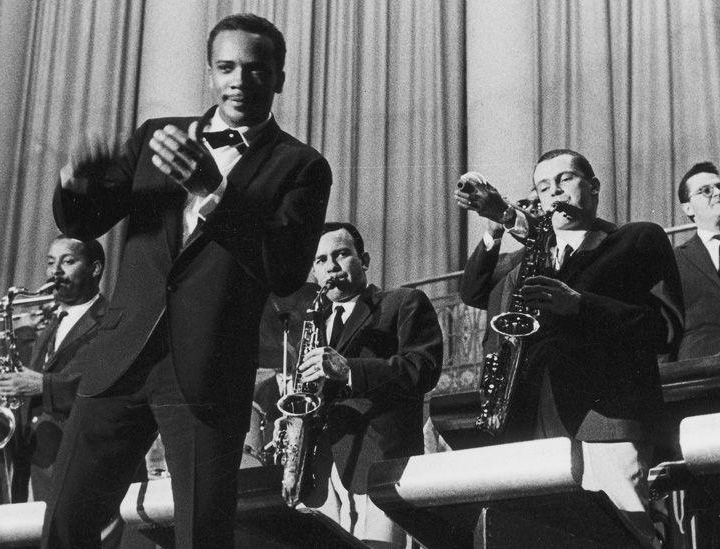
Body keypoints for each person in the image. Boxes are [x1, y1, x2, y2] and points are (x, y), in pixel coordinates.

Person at [43, 13, 331, 549]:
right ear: (210, 73)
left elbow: (287, 270)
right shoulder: (156, 137)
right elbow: (82, 224)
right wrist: (76, 180)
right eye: (226, 67)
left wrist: (213, 191)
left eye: (255, 68)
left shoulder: (303, 166)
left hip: (208, 371)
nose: (239, 80)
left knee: (202, 535)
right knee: (65, 523)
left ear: (280, 77)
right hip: (120, 359)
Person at [456, 149, 683, 547]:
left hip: (607, 419)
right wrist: (496, 227)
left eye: (565, 180)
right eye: (544, 187)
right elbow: (474, 291)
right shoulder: (530, 258)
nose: (554, 192)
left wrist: (581, 305)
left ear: (593, 187)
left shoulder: (635, 238)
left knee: (629, 533)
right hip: (536, 423)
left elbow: (665, 328)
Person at [291, 222, 442, 549]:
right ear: (314, 274)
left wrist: (350, 371)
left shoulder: (403, 302)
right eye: (320, 261)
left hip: (379, 466)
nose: (331, 266)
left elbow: (422, 368)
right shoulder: (313, 324)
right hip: (320, 475)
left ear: (365, 260)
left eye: (341, 254)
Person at [0, 236, 107, 502]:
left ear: (94, 269)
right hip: (29, 464)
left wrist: (41, 385)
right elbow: (22, 390)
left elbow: (101, 385)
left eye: (68, 261)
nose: (55, 271)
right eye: (50, 262)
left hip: (70, 463)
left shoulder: (108, 320)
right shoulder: (53, 323)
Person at [674, 162, 720, 360]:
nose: (718, 192)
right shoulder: (675, 259)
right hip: (700, 368)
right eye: (706, 190)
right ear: (688, 207)